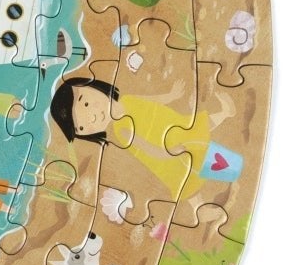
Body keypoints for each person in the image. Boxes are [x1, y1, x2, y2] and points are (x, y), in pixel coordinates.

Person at [49, 75, 243, 192]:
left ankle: (225, 114)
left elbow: (151, 100)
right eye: (81, 127)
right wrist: (168, 153)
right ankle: (202, 200)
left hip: (173, 124)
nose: (92, 117)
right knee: (187, 177)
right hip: (167, 151)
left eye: (85, 102)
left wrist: (171, 95)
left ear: (92, 85)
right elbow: (147, 148)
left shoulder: (127, 99)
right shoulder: (121, 130)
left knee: (196, 128)